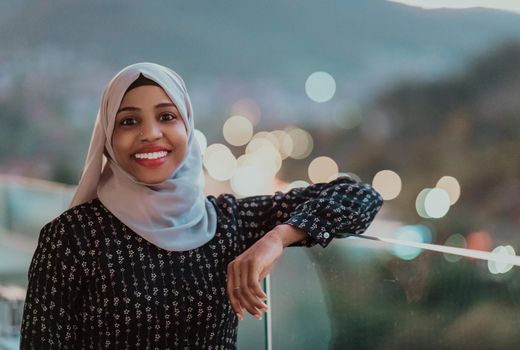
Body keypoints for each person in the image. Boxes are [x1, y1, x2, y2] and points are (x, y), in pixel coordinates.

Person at [19, 62, 383, 349]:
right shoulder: (72, 238)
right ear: (108, 138)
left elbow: (360, 196)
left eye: (167, 116)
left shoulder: (227, 221)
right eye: (129, 121)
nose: (150, 133)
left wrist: (276, 239)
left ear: (188, 127)